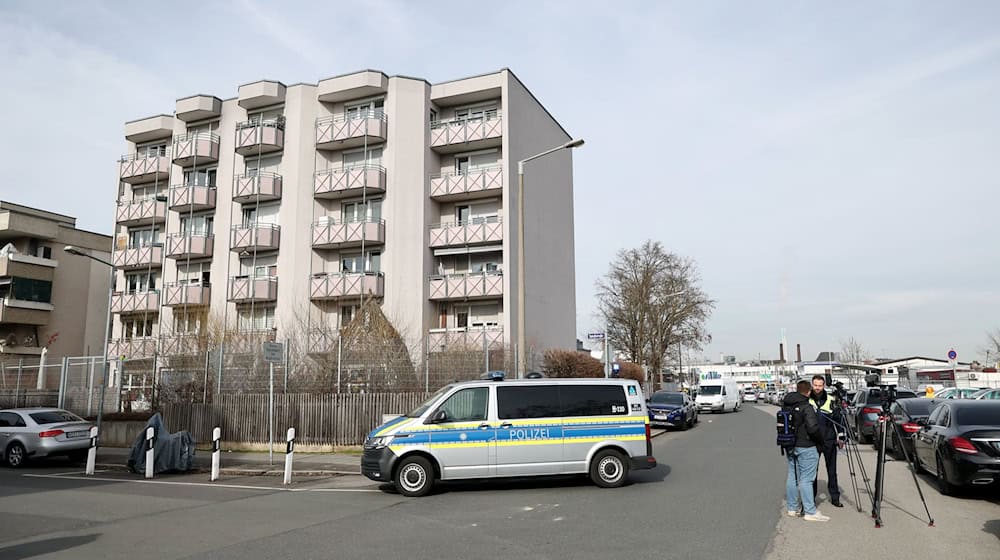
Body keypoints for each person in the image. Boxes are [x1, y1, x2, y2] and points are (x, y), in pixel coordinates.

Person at [783, 380, 830, 522]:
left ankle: (792, 508)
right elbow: (813, 428)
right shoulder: (806, 406)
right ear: (808, 392)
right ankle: (810, 511)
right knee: (807, 479)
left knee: (792, 476)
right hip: (807, 446)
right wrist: (820, 441)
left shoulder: (786, 404)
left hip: (790, 444)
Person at [810, 375, 844, 508]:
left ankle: (835, 497)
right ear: (812, 385)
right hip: (813, 442)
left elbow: (838, 419)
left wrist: (841, 436)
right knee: (812, 472)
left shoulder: (831, 400)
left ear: (823, 385)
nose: (818, 388)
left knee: (832, 471)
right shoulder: (808, 400)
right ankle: (810, 499)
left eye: (820, 385)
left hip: (829, 440)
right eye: (815, 385)